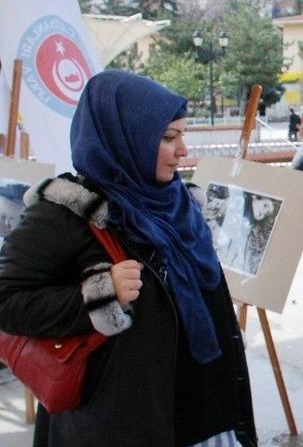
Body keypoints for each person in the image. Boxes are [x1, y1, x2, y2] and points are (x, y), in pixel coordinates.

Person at [0, 71, 256, 446]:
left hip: (210, 416)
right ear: (125, 138)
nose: (183, 149)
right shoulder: (67, 211)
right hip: (118, 425)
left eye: (183, 135)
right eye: (168, 138)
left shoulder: (179, 205)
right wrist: (99, 295)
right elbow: (6, 301)